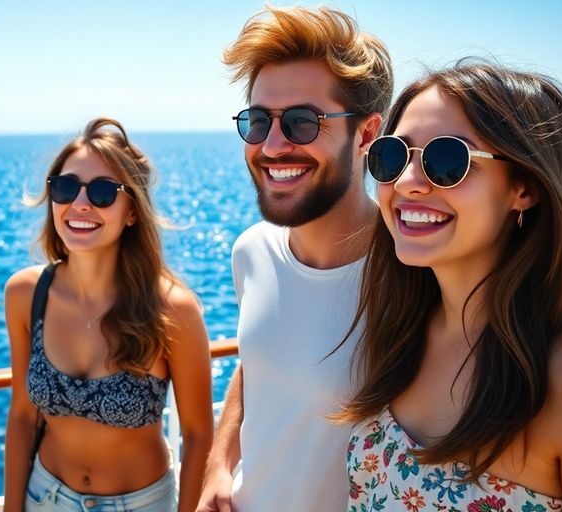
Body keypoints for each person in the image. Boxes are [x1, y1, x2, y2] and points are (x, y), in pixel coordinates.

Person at [338, 61, 562, 510]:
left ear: (524, 188)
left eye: (447, 160)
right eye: (392, 156)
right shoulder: (398, 328)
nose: (407, 182)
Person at [196, 6, 392, 512]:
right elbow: (258, 360)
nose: (273, 145)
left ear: (366, 135)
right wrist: (219, 463)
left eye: (303, 122)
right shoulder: (252, 251)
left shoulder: (410, 275)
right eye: (258, 121)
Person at [2, 118, 213, 512]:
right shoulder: (25, 294)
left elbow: (199, 434)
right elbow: (22, 416)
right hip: (45, 498)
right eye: (65, 188)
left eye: (102, 192)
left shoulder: (172, 309)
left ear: (132, 211)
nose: (80, 203)